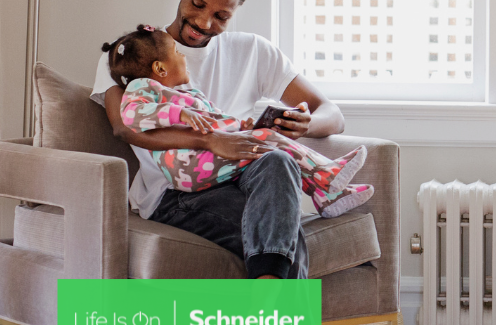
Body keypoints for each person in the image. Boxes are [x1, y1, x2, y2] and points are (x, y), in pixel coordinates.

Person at [92, 0, 345, 279]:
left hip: (243, 177)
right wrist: (209, 140)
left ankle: (265, 320)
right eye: (197, 4)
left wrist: (306, 123)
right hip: (177, 192)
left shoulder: (254, 51)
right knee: (281, 235)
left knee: (280, 163)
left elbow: (332, 114)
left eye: (221, 16)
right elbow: (124, 128)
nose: (204, 22)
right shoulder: (133, 55)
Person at [100, 24, 373, 217]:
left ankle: (325, 192)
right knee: (270, 143)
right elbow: (132, 116)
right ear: (160, 68)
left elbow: (215, 121)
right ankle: (327, 175)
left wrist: (241, 127)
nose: (184, 55)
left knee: (271, 142)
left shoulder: (190, 94)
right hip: (186, 166)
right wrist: (180, 114)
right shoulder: (146, 88)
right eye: (178, 53)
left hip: (202, 160)